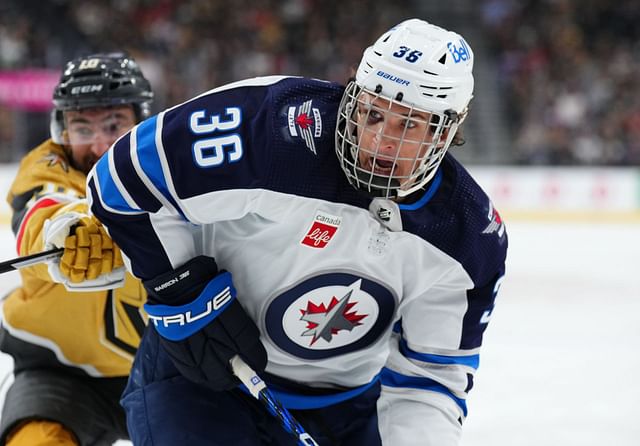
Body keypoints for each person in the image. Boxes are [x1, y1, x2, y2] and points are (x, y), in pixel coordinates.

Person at [88, 19, 508, 445]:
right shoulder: (275, 128)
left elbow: (430, 381)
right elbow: (125, 178)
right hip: (201, 380)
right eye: (373, 114)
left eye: (409, 125)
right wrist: (182, 293)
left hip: (348, 408)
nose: (382, 142)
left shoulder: (467, 237)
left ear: (447, 131)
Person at [0, 52, 153, 446]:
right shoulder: (46, 166)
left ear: (142, 121)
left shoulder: (173, 169)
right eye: (82, 128)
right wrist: (61, 231)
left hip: (169, 373)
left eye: (114, 124)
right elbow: (40, 207)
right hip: (60, 373)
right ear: (61, 130)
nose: (100, 145)